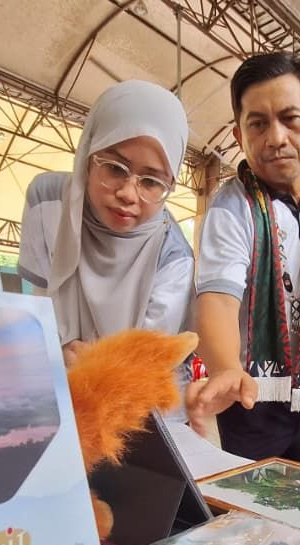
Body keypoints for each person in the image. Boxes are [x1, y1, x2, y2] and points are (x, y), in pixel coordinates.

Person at [189, 53, 300, 464]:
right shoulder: (231, 208)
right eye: (258, 124)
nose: (276, 137)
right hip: (249, 392)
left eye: (290, 119)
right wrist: (226, 369)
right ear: (239, 135)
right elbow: (218, 299)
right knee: (254, 499)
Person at [38, 80, 194, 366]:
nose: (128, 194)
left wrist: (90, 364)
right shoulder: (47, 205)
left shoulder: (173, 257)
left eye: (151, 182)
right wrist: (53, 354)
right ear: (87, 157)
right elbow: (31, 315)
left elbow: (145, 363)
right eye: (114, 168)